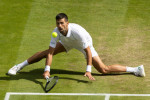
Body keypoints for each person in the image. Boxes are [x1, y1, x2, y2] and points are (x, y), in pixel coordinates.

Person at [8, 13, 146, 80]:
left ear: (67, 23)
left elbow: (87, 50)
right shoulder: (56, 32)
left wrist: (88, 70)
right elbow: (50, 53)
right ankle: (19, 66)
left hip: (83, 43)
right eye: (58, 23)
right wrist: (47, 70)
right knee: (45, 53)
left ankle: (136, 69)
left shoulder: (78, 32)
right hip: (67, 42)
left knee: (103, 69)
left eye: (62, 23)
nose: (60, 26)